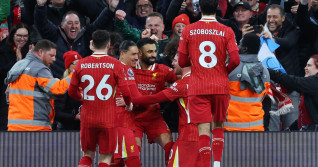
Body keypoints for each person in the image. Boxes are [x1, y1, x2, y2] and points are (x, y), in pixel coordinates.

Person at [177, 0, 240, 166]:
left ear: (199, 8)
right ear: (217, 8)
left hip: (198, 86)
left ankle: (206, 165)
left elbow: (182, 62)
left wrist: (194, 62)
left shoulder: (188, 30)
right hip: (220, 85)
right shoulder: (227, 30)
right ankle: (217, 163)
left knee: (203, 130)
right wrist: (223, 71)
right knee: (218, 124)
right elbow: (235, 59)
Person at [68, 30, 131, 167]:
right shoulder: (116, 64)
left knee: (87, 155)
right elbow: (126, 91)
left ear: (91, 43)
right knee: (106, 158)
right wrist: (128, 104)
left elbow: (71, 92)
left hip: (88, 117)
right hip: (108, 118)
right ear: (108, 45)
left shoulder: (80, 64)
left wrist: (82, 97)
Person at [127, 53, 200, 167]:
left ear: (184, 63)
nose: (172, 64)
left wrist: (131, 100)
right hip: (202, 134)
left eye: (175, 61)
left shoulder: (182, 84)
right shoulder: (202, 81)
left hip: (188, 136)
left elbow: (156, 98)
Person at [34, 0, 120, 78]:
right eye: (69, 23)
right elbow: (42, 23)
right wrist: (40, 6)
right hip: (57, 86)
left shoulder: (86, 35)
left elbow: (100, 23)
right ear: (62, 25)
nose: (73, 26)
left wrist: (110, 9)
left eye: (76, 23)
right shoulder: (55, 34)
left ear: (80, 25)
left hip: (80, 86)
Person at [5, 39, 72, 131]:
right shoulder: (39, 69)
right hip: (35, 128)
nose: (54, 59)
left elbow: (8, 95)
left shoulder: (18, 65)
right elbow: (57, 89)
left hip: (14, 126)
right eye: (51, 55)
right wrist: (73, 75)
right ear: (40, 52)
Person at [133, 38, 176, 164]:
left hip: (154, 117)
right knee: (133, 152)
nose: (154, 55)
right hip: (133, 118)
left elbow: (180, 76)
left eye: (155, 51)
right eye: (150, 52)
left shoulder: (162, 70)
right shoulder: (129, 69)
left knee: (170, 147)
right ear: (139, 53)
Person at [261, 4, 301, 131]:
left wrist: (273, 39)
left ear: (283, 18)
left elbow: (288, 42)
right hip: (270, 90)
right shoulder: (261, 33)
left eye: (275, 17)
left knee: (292, 130)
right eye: (269, 17)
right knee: (272, 131)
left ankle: (294, 151)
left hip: (289, 88)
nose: (271, 20)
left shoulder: (292, 29)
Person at [224, 33, 270, 131]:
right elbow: (265, 98)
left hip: (230, 128)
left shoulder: (230, 68)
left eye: (239, 44)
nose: (237, 46)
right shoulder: (265, 71)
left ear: (244, 49)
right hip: (256, 128)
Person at [110, 40, 141, 166]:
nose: (136, 57)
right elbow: (134, 96)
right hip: (120, 122)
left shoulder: (118, 68)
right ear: (122, 54)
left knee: (116, 161)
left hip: (119, 121)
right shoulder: (123, 70)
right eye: (133, 54)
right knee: (133, 160)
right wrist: (131, 103)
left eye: (137, 54)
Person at [268, 54, 318, 131]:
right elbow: (304, 117)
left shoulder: (314, 83)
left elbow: (294, 82)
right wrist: (290, 130)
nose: (305, 68)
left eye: (309, 65)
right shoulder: (311, 86)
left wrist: (270, 72)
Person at [0, 23, 30, 131]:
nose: (22, 39)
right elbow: (2, 72)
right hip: (6, 97)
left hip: (25, 97)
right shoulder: (3, 50)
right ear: (13, 35)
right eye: (19, 36)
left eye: (25, 36)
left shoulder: (30, 51)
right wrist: (16, 63)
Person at [54, 51, 82, 130]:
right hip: (67, 130)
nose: (78, 66)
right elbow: (57, 113)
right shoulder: (63, 85)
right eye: (74, 63)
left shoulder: (86, 84)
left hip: (83, 128)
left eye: (79, 62)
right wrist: (74, 117)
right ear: (68, 67)